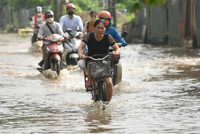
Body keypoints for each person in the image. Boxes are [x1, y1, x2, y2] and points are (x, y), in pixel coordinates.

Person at [78, 19, 120, 102]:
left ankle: (108, 102)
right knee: (90, 65)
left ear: (105, 29)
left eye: (102, 28)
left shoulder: (108, 37)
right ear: (94, 28)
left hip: (104, 61)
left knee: (109, 82)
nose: (100, 30)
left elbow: (117, 48)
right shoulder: (89, 36)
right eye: (98, 28)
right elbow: (81, 47)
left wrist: (116, 52)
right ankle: (90, 83)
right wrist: (81, 54)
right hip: (92, 59)